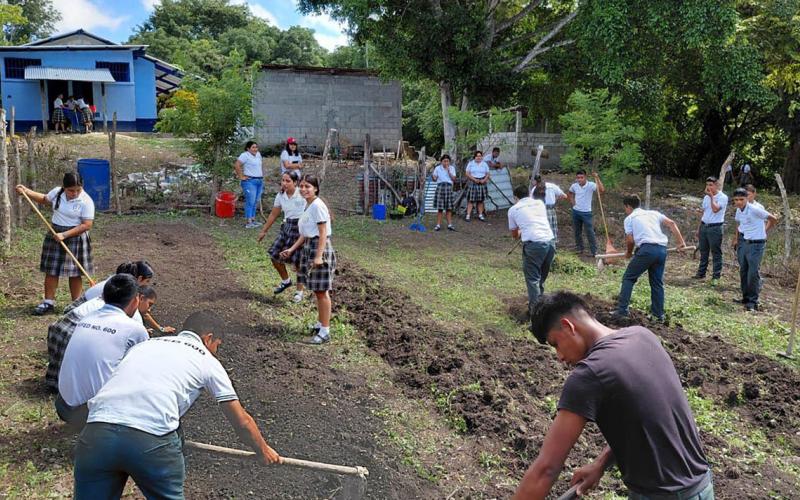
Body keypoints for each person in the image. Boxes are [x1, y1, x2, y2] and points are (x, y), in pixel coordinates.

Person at [513, 292, 713, 500]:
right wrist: (600, 464)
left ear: (568, 326)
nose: (560, 357)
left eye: (556, 344)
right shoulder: (643, 337)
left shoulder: (589, 374)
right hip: (702, 487)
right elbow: (645, 422)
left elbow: (546, 469)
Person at [73, 311, 281, 498]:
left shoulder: (144, 345)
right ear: (208, 338)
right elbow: (241, 421)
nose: (216, 351)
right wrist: (263, 450)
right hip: (150, 440)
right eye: (217, 345)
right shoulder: (206, 360)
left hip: (96, 432)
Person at [56, 274, 149, 428]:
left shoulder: (86, 318)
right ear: (135, 300)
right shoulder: (134, 329)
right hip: (92, 415)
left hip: (63, 405)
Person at [46, 286, 158, 392]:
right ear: (139, 298)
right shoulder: (134, 317)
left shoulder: (108, 301)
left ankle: (55, 381)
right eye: (150, 304)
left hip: (60, 326)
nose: (149, 310)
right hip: (71, 331)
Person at [16, 173, 95, 315]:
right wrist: (26, 191)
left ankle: (75, 305)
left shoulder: (86, 201)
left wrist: (65, 235)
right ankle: (48, 302)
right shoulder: (57, 192)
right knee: (51, 270)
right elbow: (44, 199)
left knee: (75, 273)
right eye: (71, 190)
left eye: (78, 190)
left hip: (75, 236)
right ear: (64, 187)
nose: (75, 193)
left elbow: (86, 225)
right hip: (55, 233)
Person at [280, 175, 337, 344]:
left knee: (322, 291)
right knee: (317, 290)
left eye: (308, 187)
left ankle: (325, 331)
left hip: (319, 248)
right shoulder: (308, 205)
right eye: (302, 186)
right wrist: (291, 249)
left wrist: (319, 256)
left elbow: (322, 234)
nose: (304, 189)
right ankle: (320, 324)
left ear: (316, 189)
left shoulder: (317, 206)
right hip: (309, 246)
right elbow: (305, 234)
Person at [615, 194, 687, 323]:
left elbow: (630, 240)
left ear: (628, 206)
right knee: (657, 283)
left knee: (628, 278)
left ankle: (622, 311)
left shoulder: (630, 218)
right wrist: (681, 242)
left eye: (625, 208)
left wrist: (628, 253)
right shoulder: (653, 213)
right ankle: (658, 315)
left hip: (647, 250)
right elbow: (671, 223)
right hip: (661, 250)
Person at [257, 171, 307, 303]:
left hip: (300, 228)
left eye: (288, 181)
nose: (284, 183)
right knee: (275, 255)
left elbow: (311, 209)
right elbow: (274, 215)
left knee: (299, 262)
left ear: (295, 183)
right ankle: (286, 281)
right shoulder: (280, 196)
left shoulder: (302, 194)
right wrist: (264, 231)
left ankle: (299, 292)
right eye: (283, 180)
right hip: (286, 227)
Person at [508, 184, 555, 318]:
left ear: (515, 197)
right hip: (550, 242)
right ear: (529, 194)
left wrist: (521, 232)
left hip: (534, 245)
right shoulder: (539, 204)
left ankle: (535, 314)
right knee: (541, 277)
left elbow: (514, 234)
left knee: (533, 279)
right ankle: (540, 304)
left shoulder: (513, 209)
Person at [732, 188, 777, 312]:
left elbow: (773, 219)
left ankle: (753, 302)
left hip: (756, 244)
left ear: (747, 198)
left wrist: (764, 230)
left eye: (741, 199)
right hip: (744, 242)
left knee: (753, 273)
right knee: (744, 271)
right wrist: (737, 239)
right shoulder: (738, 210)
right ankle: (745, 298)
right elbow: (739, 224)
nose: (739, 202)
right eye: (736, 200)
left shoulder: (755, 209)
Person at [693, 177, 728, 282]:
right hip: (705, 226)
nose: (708, 187)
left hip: (715, 227)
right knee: (703, 251)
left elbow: (715, 209)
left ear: (716, 185)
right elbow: (704, 213)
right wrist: (699, 228)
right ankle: (701, 273)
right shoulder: (706, 198)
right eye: (707, 185)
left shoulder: (723, 197)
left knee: (716, 252)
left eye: (711, 185)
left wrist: (711, 196)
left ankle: (716, 277)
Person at [568, 170, 605, 256]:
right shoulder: (574, 186)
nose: (579, 179)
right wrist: (572, 202)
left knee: (590, 232)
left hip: (586, 213)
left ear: (585, 177)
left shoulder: (591, 185)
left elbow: (602, 190)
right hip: (576, 211)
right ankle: (579, 248)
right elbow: (570, 193)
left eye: (581, 177)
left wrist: (597, 178)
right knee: (577, 231)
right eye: (578, 178)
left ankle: (594, 251)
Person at [234, 141, 264, 229]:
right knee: (250, 201)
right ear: (248, 148)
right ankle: (248, 221)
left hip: (259, 181)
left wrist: (262, 176)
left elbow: (260, 166)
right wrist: (241, 176)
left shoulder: (258, 154)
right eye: (253, 147)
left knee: (255, 201)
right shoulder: (245, 155)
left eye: (256, 147)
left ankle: (253, 219)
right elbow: (237, 165)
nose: (255, 149)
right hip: (249, 181)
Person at [532, 174, 567, 244]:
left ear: (534, 181)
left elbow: (531, 201)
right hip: (551, 210)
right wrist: (555, 198)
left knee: (543, 229)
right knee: (552, 229)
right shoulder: (551, 186)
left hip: (540, 211)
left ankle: (546, 245)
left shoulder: (534, 189)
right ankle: (552, 245)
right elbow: (564, 196)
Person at [432, 154, 457, 231]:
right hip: (440, 188)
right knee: (440, 208)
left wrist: (449, 171)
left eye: (447, 161)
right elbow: (434, 179)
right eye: (444, 161)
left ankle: (449, 224)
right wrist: (433, 176)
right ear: (441, 161)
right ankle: (438, 225)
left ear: (449, 162)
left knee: (449, 208)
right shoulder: (437, 168)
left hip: (448, 188)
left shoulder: (452, 168)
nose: (446, 163)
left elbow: (454, 179)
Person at [465, 150, 490, 222]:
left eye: (480, 156)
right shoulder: (471, 163)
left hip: (482, 182)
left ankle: (480, 215)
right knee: (471, 200)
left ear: (482, 157)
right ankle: (468, 215)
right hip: (473, 182)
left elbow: (488, 173)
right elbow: (467, 173)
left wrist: (484, 180)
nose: (479, 158)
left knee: (480, 200)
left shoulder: (484, 164)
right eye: (477, 156)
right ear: (474, 157)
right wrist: (474, 179)